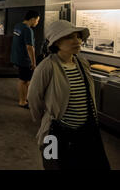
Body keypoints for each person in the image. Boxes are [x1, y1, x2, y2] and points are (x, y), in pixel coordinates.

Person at [28, 20, 110, 170]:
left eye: (78, 36)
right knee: (53, 165)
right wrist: (45, 120)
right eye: (69, 37)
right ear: (56, 42)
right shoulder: (46, 67)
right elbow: (34, 98)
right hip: (54, 133)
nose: (77, 41)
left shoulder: (82, 63)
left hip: (85, 132)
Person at [10, 10, 40, 108]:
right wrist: (33, 62)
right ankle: (22, 101)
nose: (37, 22)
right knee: (24, 81)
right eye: (37, 20)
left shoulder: (17, 26)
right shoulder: (28, 30)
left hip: (17, 57)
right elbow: (29, 47)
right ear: (32, 19)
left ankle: (25, 98)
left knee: (25, 80)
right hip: (25, 59)